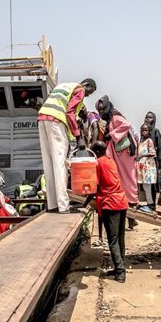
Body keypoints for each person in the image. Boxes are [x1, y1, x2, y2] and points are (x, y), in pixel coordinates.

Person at [37, 78, 97, 213]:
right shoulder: (79, 89)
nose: (86, 95)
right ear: (86, 85)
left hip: (42, 118)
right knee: (60, 164)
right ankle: (63, 206)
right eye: (89, 92)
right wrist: (77, 136)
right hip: (56, 121)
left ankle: (52, 205)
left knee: (49, 164)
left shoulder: (64, 85)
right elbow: (69, 112)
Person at [83, 141, 128, 283]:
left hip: (111, 203)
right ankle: (119, 267)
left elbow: (95, 186)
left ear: (96, 152)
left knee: (112, 240)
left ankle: (121, 272)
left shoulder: (98, 163)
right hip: (121, 201)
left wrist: (84, 203)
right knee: (120, 237)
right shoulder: (111, 161)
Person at [96, 96, 139, 229]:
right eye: (99, 110)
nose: (101, 112)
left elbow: (126, 125)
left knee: (128, 178)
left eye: (102, 109)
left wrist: (112, 134)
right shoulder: (108, 119)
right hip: (118, 153)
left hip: (125, 153)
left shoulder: (115, 116)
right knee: (120, 179)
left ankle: (132, 210)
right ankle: (130, 215)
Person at [144, 111, 161, 209]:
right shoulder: (144, 132)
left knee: (153, 184)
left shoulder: (156, 132)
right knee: (146, 183)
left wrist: (160, 162)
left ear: (154, 119)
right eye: (147, 117)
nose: (148, 119)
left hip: (153, 161)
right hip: (144, 162)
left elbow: (159, 148)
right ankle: (149, 203)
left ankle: (152, 205)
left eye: (150, 118)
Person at [136, 124, 157, 212]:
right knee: (144, 186)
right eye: (142, 130)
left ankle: (150, 205)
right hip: (142, 167)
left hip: (147, 167)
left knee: (147, 187)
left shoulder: (149, 141)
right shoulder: (140, 141)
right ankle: (148, 203)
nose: (143, 132)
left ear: (149, 132)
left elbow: (153, 153)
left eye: (145, 130)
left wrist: (142, 155)